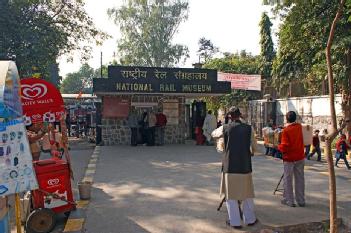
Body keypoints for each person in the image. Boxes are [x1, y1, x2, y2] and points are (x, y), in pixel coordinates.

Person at [217, 107, 257, 229]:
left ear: (229, 116)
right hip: (245, 165)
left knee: (231, 195)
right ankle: (250, 219)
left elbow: (214, 135)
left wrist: (222, 145)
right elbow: (254, 146)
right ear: (240, 115)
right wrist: (252, 151)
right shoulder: (249, 128)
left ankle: (235, 222)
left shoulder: (224, 128)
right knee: (247, 194)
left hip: (230, 166)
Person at [278, 111, 305, 207]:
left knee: (288, 179)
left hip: (289, 158)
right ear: (295, 118)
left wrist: (279, 147)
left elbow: (285, 146)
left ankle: (289, 200)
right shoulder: (299, 127)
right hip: (300, 156)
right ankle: (301, 200)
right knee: (300, 179)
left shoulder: (286, 130)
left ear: (286, 119)